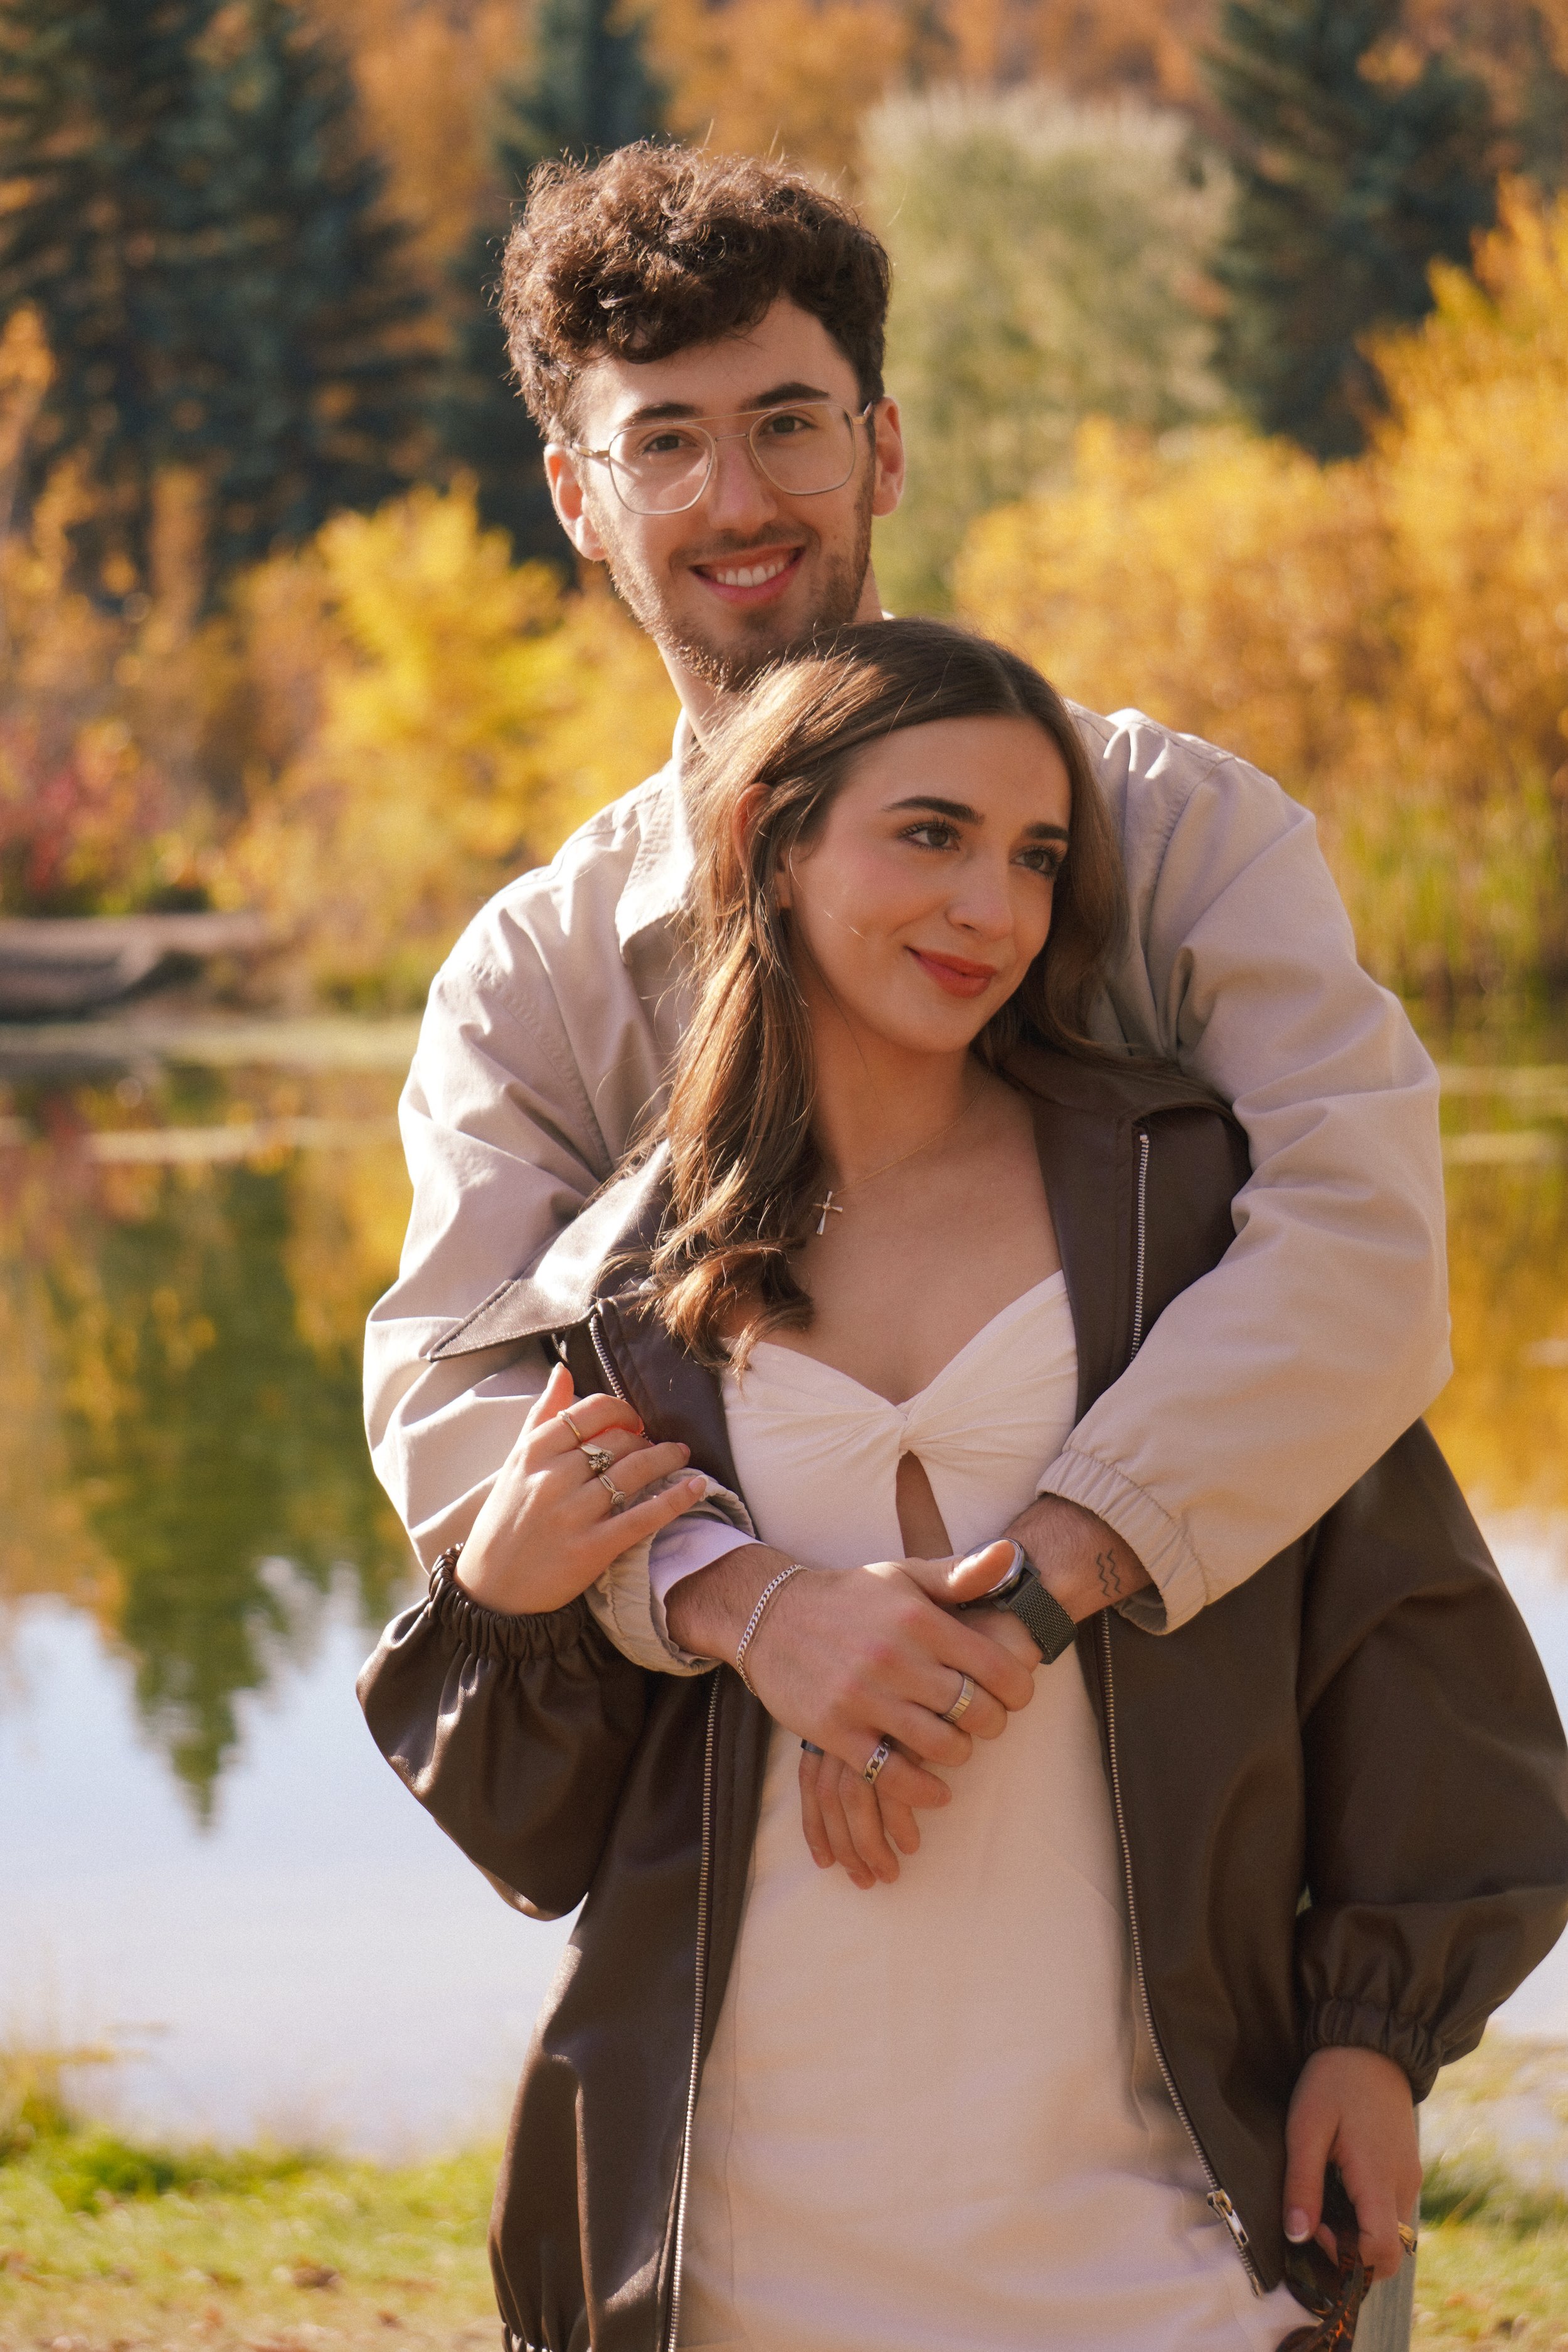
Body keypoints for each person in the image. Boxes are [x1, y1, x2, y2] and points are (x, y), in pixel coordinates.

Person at [358, 621, 1568, 2352]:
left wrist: (1374, 2033)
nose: (990, 908)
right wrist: (521, 1595)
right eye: (927, 834)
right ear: (771, 847)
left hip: (1156, 2197)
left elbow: (1408, 1644)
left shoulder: (1181, 1204)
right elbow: (530, 1829)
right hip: (734, 2219)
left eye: (1035, 856)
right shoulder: (623, 1285)